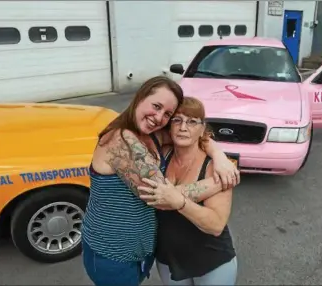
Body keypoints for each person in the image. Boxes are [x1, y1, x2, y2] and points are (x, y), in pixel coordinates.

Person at [81, 76, 240, 286]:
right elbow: (160, 195)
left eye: (167, 114)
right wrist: (221, 181)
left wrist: (218, 155)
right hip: (112, 254)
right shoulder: (119, 139)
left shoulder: (152, 134)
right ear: (140, 98)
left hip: (142, 253)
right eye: (156, 106)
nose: (158, 117)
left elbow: (191, 132)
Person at [139, 97, 237, 285]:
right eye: (177, 120)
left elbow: (216, 225)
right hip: (168, 259)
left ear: (202, 130)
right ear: (169, 126)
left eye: (192, 122)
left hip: (211, 262)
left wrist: (180, 203)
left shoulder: (215, 169)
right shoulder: (161, 155)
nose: (183, 127)